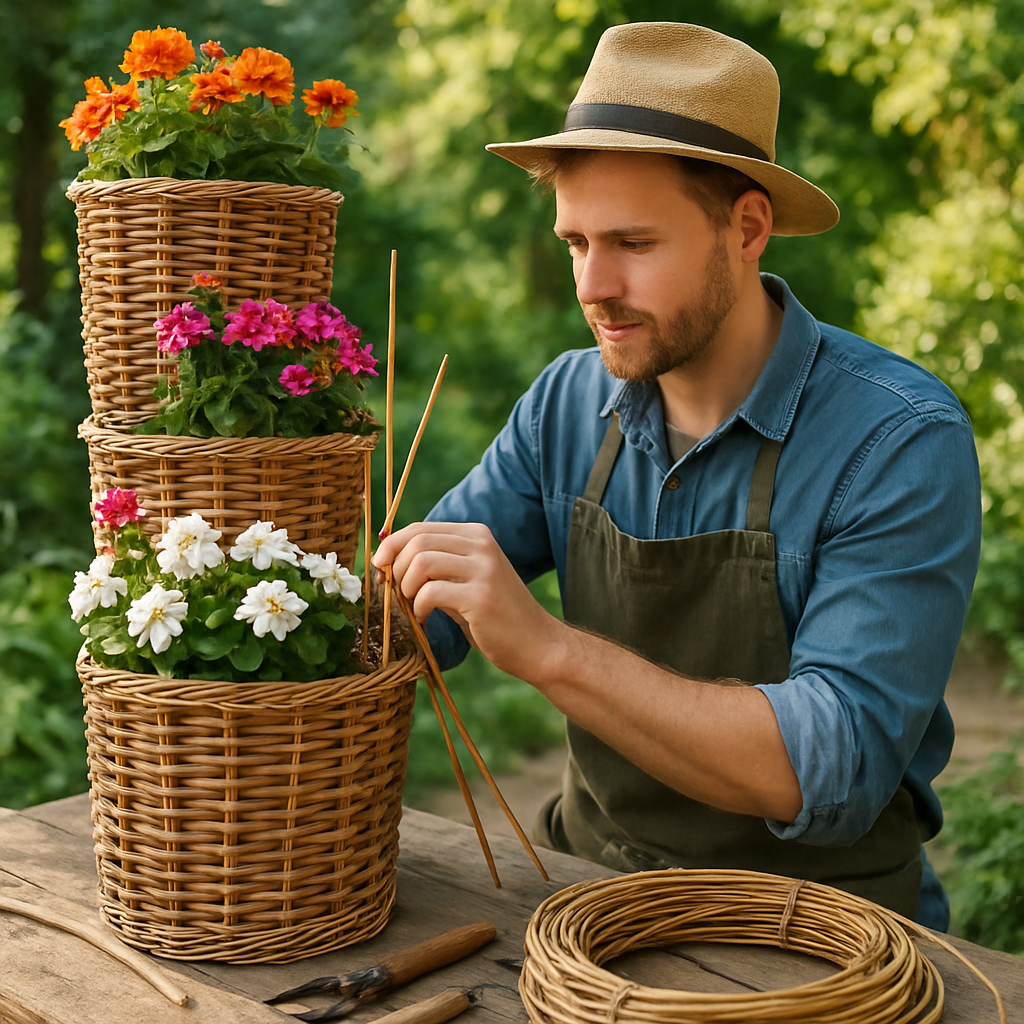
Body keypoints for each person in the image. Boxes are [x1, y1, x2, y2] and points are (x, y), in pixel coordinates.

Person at [372, 21, 981, 930]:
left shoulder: (897, 438)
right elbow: (418, 614)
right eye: (576, 242)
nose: (592, 283)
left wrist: (549, 649)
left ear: (747, 227)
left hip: (817, 930)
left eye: (633, 243)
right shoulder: (566, 403)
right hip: (586, 895)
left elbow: (830, 766)